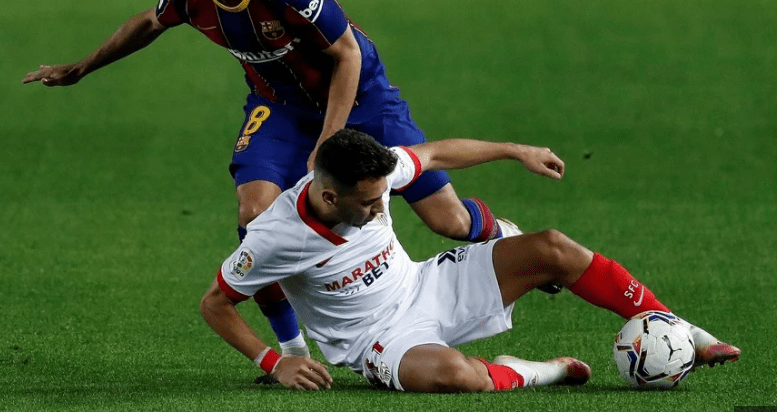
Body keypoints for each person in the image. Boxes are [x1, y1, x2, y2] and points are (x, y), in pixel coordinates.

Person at [21, 0, 545, 357]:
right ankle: (291, 347)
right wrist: (82, 67)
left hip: (362, 96)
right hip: (281, 107)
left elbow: (347, 55)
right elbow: (148, 22)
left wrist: (329, 143)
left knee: (447, 221)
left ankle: (503, 234)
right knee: (254, 215)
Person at [201, 129, 741, 392]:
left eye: (381, 197)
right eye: (367, 204)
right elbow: (216, 303)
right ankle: (539, 371)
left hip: (426, 285)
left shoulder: (372, 176)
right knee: (455, 376)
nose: (380, 208)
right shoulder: (275, 236)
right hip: (377, 340)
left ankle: (684, 331)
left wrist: (516, 151)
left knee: (553, 246)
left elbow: (435, 154)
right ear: (327, 195)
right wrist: (276, 361)